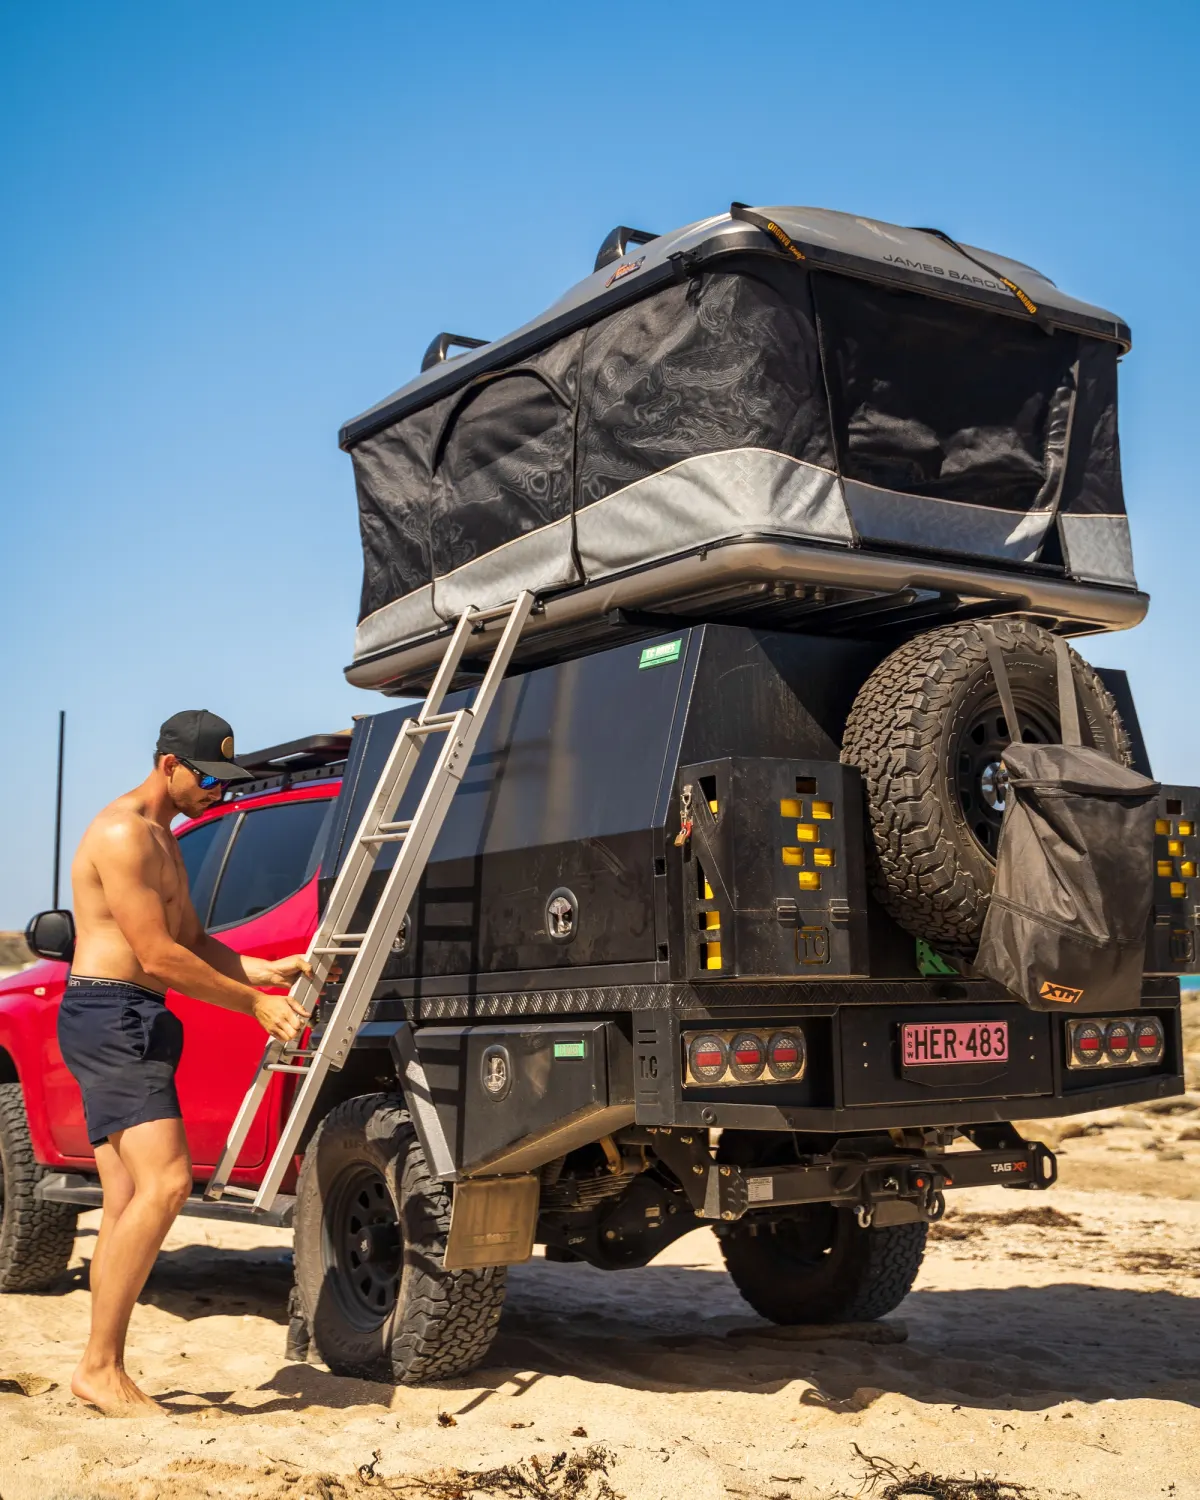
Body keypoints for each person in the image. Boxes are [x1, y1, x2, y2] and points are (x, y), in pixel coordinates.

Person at [58, 710, 311, 1415]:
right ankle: (99, 1368)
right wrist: (251, 1007)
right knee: (168, 1184)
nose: (218, 794)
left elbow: (194, 940)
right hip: (112, 1014)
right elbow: (153, 955)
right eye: (209, 778)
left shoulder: (163, 841)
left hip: (132, 1017)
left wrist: (264, 971)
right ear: (167, 763)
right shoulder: (122, 834)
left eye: (227, 782)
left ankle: (99, 1366)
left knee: (125, 1200)